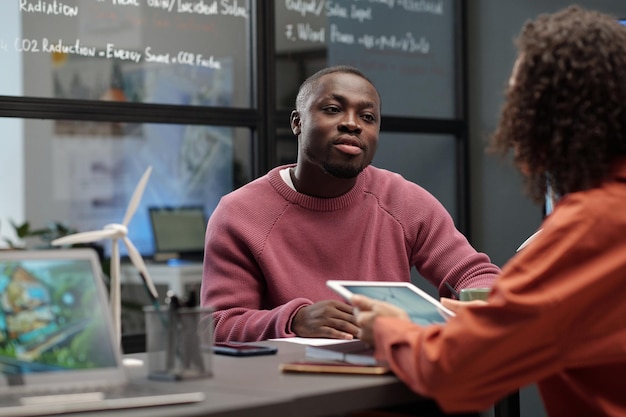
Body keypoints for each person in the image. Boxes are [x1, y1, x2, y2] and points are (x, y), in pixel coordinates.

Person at [351, 6, 626, 417]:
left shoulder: (593, 224)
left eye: (519, 103)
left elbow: (455, 373)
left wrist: (390, 329)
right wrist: (499, 315)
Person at [201, 65, 500, 343]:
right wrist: (293, 321)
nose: (351, 124)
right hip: (292, 389)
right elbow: (216, 324)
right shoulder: (240, 214)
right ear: (297, 122)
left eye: (367, 117)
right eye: (333, 110)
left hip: (393, 384)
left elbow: (474, 275)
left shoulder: (403, 200)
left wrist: (480, 306)